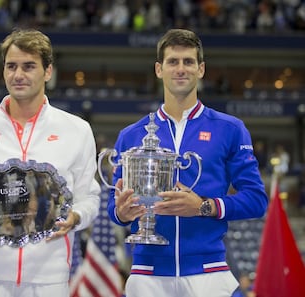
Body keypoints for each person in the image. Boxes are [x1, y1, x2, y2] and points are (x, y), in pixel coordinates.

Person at [107, 28, 268, 297]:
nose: (180, 69)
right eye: (173, 62)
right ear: (159, 69)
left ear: (201, 69)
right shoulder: (132, 135)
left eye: (188, 62)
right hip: (148, 272)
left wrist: (203, 206)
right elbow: (115, 208)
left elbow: (256, 200)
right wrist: (122, 213)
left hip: (209, 272)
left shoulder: (230, 129)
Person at [0, 28, 101, 297]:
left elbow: (90, 198)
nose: (18, 75)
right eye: (11, 66)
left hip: (49, 280)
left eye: (29, 67)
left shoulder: (77, 130)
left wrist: (74, 217)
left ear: (48, 72)